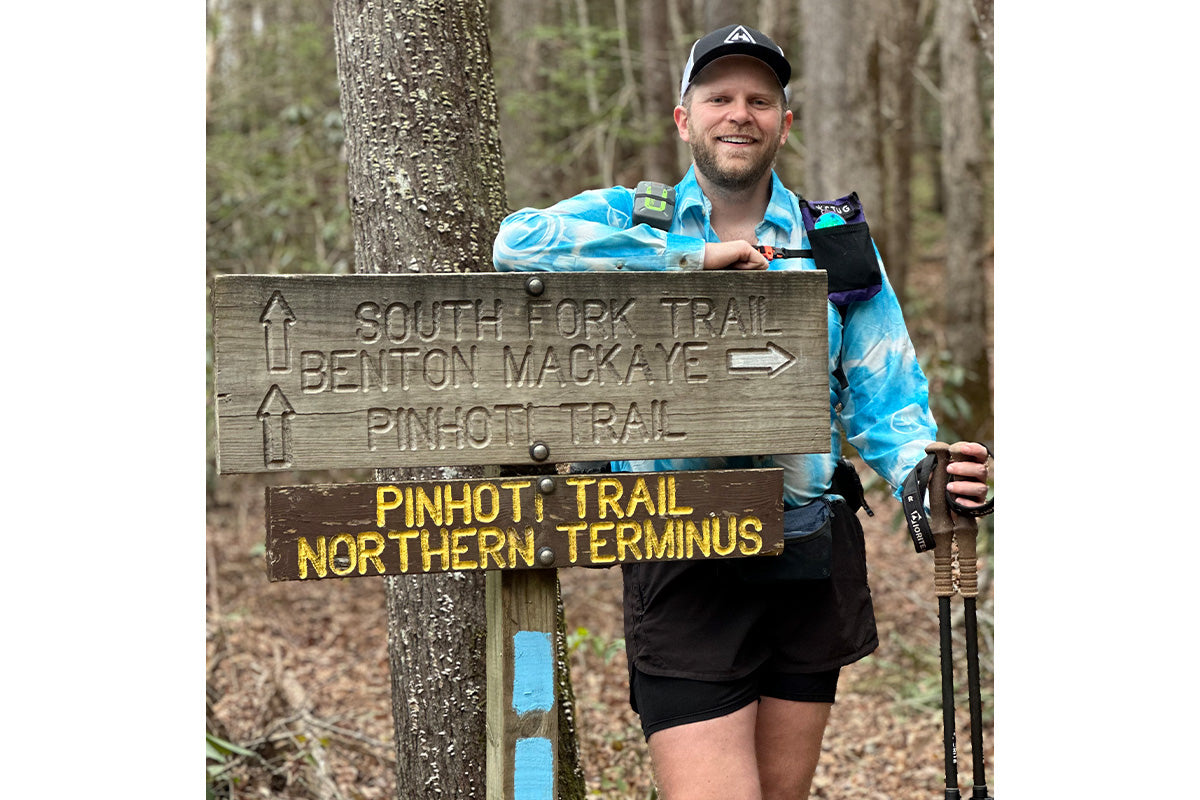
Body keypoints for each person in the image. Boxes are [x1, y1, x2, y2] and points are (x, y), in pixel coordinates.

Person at [493, 23, 991, 800]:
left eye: (760, 99)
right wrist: (684, 264)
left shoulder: (835, 243)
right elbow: (516, 245)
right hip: (679, 544)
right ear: (683, 118)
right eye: (718, 96)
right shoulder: (640, 216)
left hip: (804, 551)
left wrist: (929, 474)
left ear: (783, 123)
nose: (740, 113)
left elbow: (886, 398)